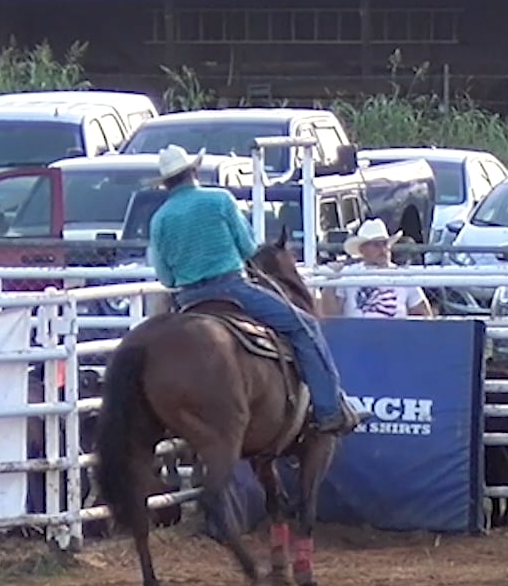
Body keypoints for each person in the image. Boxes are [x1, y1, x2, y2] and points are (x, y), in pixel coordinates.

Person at [146, 145, 363, 435]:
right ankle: (329, 410)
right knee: (305, 327)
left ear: (166, 183)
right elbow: (249, 248)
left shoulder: (160, 219)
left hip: (188, 300)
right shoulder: (219, 200)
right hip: (232, 288)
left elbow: (166, 277)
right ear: (193, 171)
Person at [322, 219, 433, 318]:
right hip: (356, 333)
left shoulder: (403, 276)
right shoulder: (348, 275)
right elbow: (330, 316)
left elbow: (424, 315)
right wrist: (330, 282)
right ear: (362, 249)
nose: (383, 250)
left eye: (385, 244)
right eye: (376, 245)